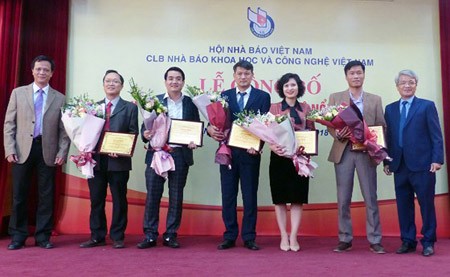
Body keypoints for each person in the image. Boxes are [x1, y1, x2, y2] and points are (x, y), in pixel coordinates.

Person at [3, 55, 70, 250]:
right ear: (32, 71)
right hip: (22, 150)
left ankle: (43, 236)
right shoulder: (18, 93)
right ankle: (18, 235)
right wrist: (9, 149)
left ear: (52, 73)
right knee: (19, 195)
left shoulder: (60, 97)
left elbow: (63, 130)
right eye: (38, 69)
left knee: (46, 195)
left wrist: (62, 152)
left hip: (47, 150)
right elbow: (9, 124)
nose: (42, 72)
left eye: (46, 70)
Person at [207, 60, 271, 250]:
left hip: (250, 153)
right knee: (228, 195)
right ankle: (229, 235)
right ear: (234, 76)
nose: (243, 77)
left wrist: (258, 146)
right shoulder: (223, 96)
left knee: (250, 195)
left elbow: (266, 126)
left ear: (253, 75)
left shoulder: (262, 96)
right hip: (227, 152)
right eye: (240, 74)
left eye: (247, 74)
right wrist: (210, 131)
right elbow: (214, 122)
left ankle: (249, 236)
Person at [137, 67, 200, 249]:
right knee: (153, 195)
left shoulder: (191, 103)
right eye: (171, 78)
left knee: (176, 196)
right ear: (165, 81)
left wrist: (194, 141)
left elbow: (195, 126)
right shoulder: (154, 101)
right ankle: (150, 234)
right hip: (157, 153)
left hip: (180, 154)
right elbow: (145, 126)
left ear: (183, 82)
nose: (174, 81)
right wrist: (146, 134)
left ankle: (170, 234)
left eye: (178, 78)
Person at [327, 60, 386, 254]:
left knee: (370, 197)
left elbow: (381, 126)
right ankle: (345, 238)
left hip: (365, 153)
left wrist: (377, 147)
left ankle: (375, 239)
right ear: (346, 76)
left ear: (364, 75)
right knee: (343, 198)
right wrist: (338, 134)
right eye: (352, 73)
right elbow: (329, 124)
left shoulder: (375, 99)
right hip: (343, 152)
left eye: (359, 73)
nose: (356, 76)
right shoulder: (335, 98)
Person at [383, 70, 444, 257]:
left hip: (423, 165)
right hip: (399, 165)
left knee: (426, 205)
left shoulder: (426, 106)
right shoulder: (390, 109)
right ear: (397, 86)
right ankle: (408, 241)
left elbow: (436, 136)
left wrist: (437, 159)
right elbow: (388, 138)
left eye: (411, 82)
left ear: (416, 84)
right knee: (403, 205)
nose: (407, 86)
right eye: (403, 83)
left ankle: (428, 241)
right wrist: (386, 160)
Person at [79, 70, 138, 249]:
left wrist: (121, 149)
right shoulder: (92, 108)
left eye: (115, 81)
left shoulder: (130, 107)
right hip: (96, 160)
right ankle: (97, 235)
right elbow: (85, 133)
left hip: (118, 162)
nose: (111, 84)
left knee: (119, 199)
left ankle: (117, 236)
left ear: (121, 86)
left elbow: (133, 132)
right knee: (96, 199)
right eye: (108, 81)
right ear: (103, 84)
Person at [268, 73, 315, 252]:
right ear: (281, 89)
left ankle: (294, 236)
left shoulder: (306, 108)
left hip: (299, 159)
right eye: (286, 86)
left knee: (297, 199)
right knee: (279, 199)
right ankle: (283, 236)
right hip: (279, 157)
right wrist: (272, 146)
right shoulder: (274, 108)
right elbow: (268, 132)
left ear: (299, 87)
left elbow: (311, 130)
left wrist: (307, 149)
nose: (290, 88)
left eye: (293, 85)